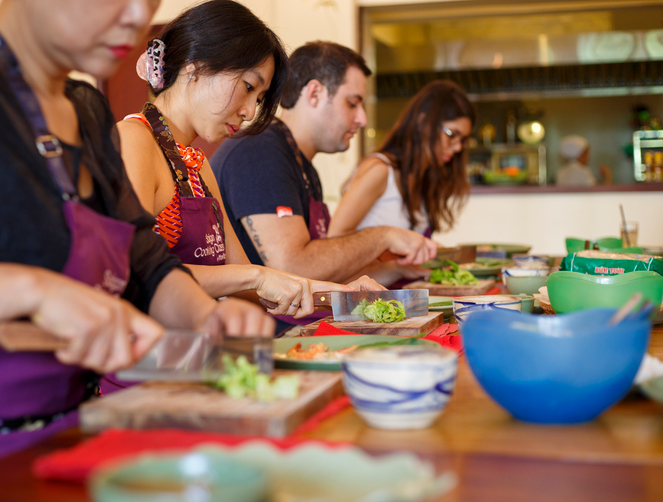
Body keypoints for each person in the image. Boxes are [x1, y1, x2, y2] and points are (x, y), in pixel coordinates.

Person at [0, 0, 273, 491]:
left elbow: (144, 257)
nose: (139, 16)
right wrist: (33, 291)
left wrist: (205, 317)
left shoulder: (86, 110)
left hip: (65, 444)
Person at [117, 0, 374, 323]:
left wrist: (345, 295)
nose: (250, 112)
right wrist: (254, 277)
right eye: (249, 87)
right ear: (194, 66)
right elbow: (129, 268)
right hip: (148, 363)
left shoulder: (197, 166)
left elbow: (247, 282)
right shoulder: (134, 140)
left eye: (259, 99)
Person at [210, 41, 438, 290]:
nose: (362, 119)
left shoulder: (303, 165)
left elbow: (319, 273)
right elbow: (293, 268)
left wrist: (390, 270)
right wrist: (384, 236)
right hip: (263, 327)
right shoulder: (259, 151)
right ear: (315, 93)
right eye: (352, 103)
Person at [328, 80, 476, 239]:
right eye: (452, 135)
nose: (458, 147)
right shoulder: (379, 170)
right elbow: (334, 240)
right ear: (423, 123)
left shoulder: (422, 177)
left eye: (463, 140)